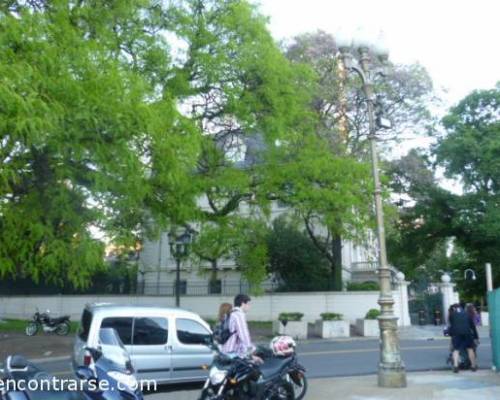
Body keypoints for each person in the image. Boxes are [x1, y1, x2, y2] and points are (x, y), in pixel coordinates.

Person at [222, 294, 262, 363]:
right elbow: (244, 336)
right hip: (233, 353)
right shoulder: (239, 315)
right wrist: (251, 350)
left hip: (226, 350)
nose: (249, 307)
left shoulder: (231, 313)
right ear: (243, 303)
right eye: (248, 304)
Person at [449, 303, 479, 373]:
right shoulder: (467, 314)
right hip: (467, 333)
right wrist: (476, 337)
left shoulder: (452, 315)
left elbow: (451, 326)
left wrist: (451, 335)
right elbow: (473, 327)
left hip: (456, 333)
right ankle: (473, 366)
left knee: (456, 350)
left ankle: (456, 366)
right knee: (470, 349)